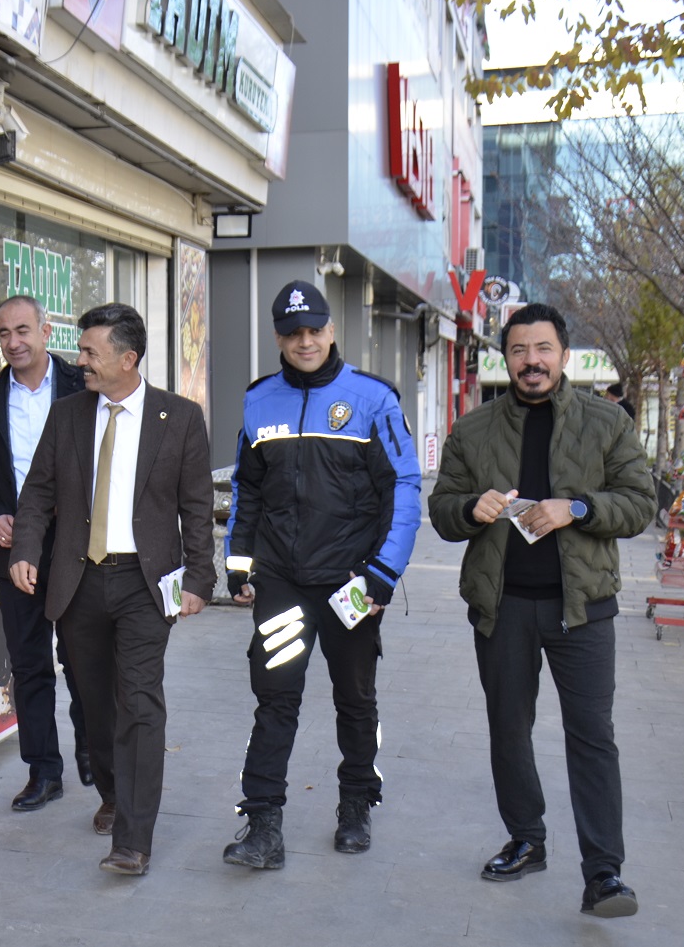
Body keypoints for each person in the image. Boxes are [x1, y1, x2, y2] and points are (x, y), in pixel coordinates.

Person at [427, 302, 655, 919]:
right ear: (507, 357)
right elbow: (443, 510)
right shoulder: (472, 430)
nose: (532, 361)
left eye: (544, 349)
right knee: (509, 729)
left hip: (583, 610)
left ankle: (605, 874)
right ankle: (527, 838)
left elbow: (640, 503)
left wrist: (575, 509)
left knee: (592, 737)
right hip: (503, 609)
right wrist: (469, 507)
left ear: (563, 354)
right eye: (521, 350)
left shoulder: (606, 423)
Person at [9, 302, 215, 877]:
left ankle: (133, 839)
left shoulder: (180, 418)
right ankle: (111, 791)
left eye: (90, 353)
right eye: (80, 351)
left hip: (146, 584)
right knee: (94, 705)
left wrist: (200, 578)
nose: (80, 363)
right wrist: (25, 549)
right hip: (78, 581)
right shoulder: (69, 414)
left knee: (140, 704)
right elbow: (38, 493)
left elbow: (197, 508)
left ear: (129, 358)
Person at [221, 280, 421, 870]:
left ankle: (356, 803)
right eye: (292, 333)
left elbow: (404, 490)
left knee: (355, 699)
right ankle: (263, 825)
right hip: (281, 581)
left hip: (350, 582)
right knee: (274, 699)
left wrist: (383, 574)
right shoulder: (259, 401)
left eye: (314, 330)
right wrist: (239, 565)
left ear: (332, 330)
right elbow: (246, 490)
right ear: (279, 338)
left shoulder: (372, 399)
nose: (304, 342)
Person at [0, 295, 91, 812]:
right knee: (29, 663)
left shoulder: (83, 388)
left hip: (78, 548)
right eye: (3, 334)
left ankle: (94, 755)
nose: (13, 343)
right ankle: (44, 771)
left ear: (45, 331)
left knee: (84, 660)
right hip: (16, 547)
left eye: (23, 331)